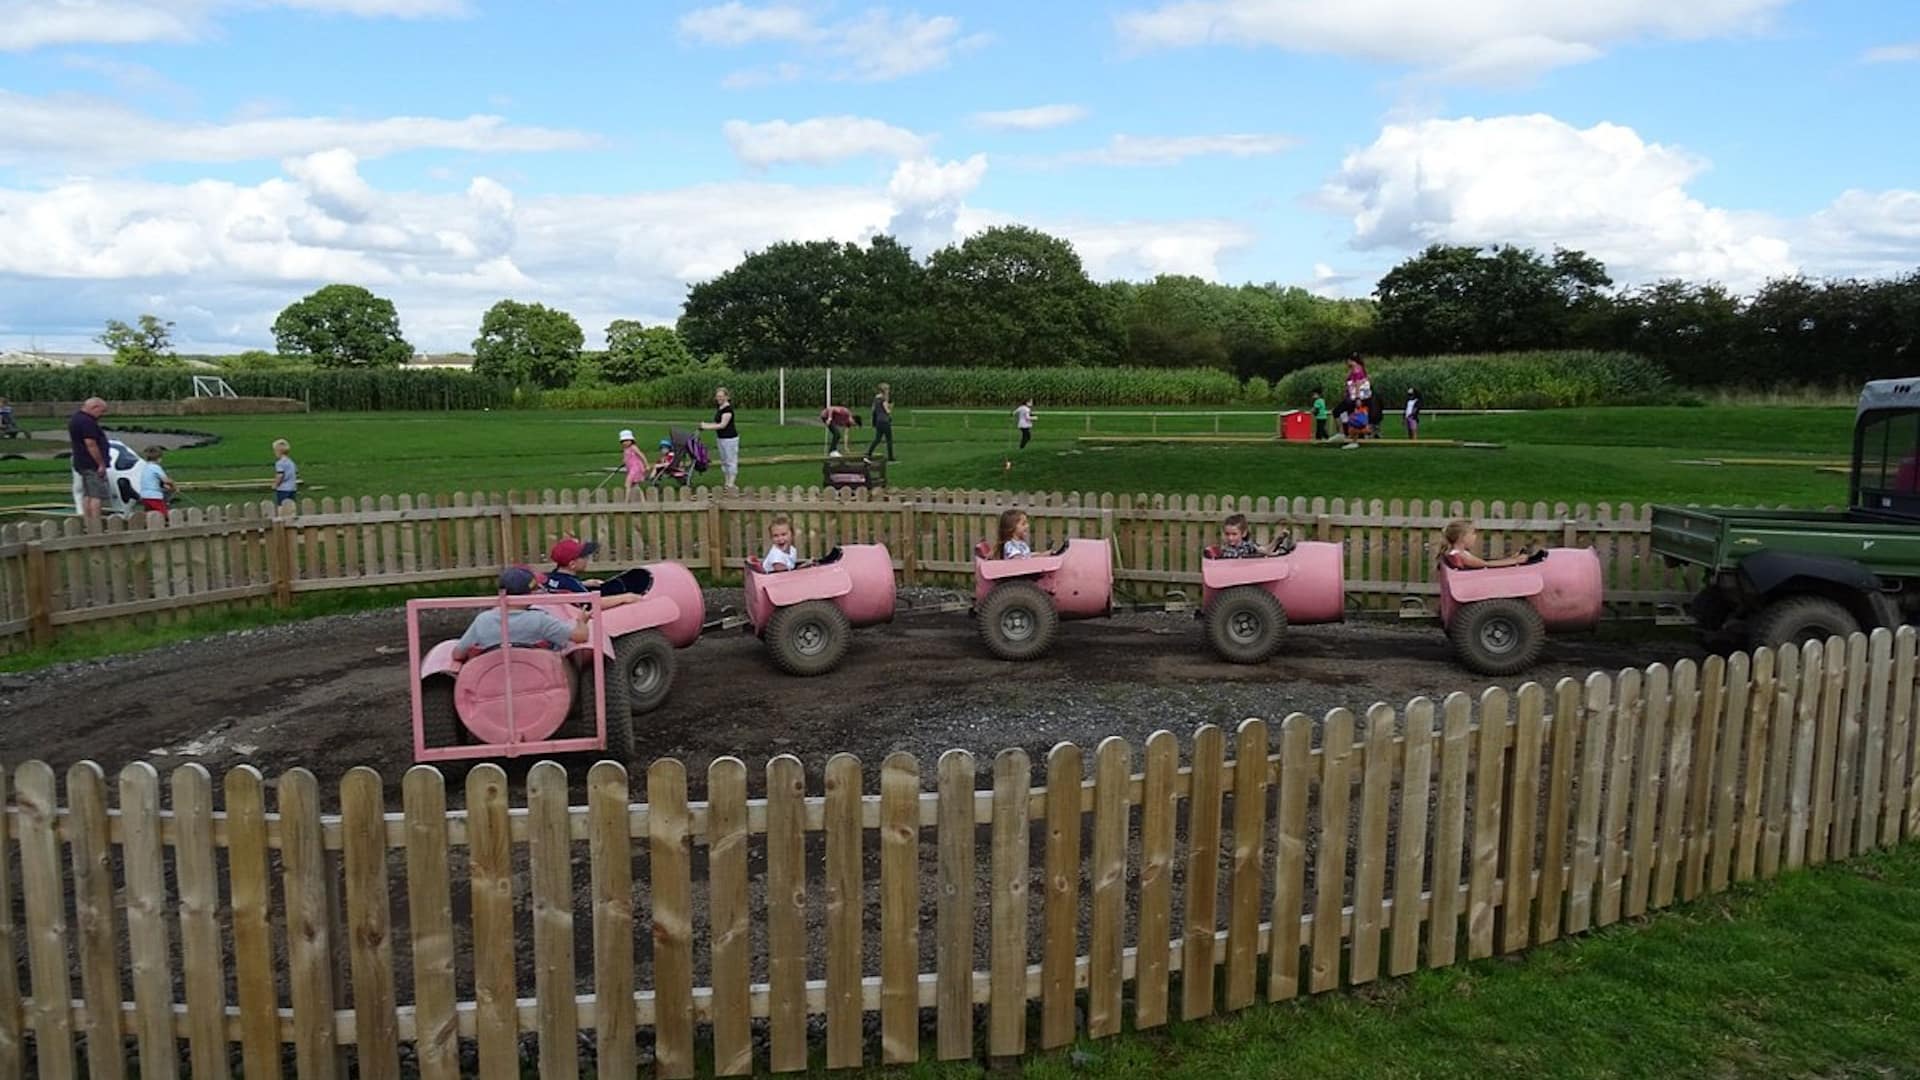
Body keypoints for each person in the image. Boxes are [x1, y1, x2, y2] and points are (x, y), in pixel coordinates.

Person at [452, 567, 591, 661]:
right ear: (529, 594)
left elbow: (457, 654)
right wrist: (581, 621)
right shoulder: (540, 620)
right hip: (539, 680)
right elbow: (581, 636)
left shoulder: (483, 620)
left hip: (493, 682)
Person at [544, 537, 640, 606]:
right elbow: (593, 604)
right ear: (572, 564)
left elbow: (563, 586)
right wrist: (624, 598)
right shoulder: (573, 586)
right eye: (584, 557)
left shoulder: (552, 577)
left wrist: (584, 584)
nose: (587, 560)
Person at [68, 397, 111, 522]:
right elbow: (91, 444)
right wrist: (101, 464)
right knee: (96, 496)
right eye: (101, 411)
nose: (102, 415)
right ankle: (96, 522)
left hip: (80, 462)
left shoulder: (76, 418)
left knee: (87, 494)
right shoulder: (87, 422)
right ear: (94, 407)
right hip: (91, 464)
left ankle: (87, 521)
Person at [1438, 520, 1535, 570]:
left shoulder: (1461, 553)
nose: (1475, 536)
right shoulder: (1461, 555)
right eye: (1472, 533)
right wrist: (1515, 561)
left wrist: (1511, 559)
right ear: (1462, 537)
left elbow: (1485, 563)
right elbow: (1486, 564)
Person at [700, 386, 739, 488]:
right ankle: (727, 482)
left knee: (731, 460)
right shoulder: (720, 408)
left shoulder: (728, 410)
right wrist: (706, 425)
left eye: (721, 396)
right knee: (724, 460)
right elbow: (717, 423)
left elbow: (722, 425)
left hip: (730, 439)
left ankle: (731, 483)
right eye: (717, 396)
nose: (719, 398)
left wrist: (707, 427)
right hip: (721, 438)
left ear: (727, 397)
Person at [136, 445, 176, 519]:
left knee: (150, 514)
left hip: (144, 495)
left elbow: (153, 481)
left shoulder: (146, 467)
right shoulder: (156, 467)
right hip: (154, 496)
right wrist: (173, 486)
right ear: (159, 459)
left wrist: (163, 486)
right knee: (163, 514)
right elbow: (166, 480)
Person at [865, 383, 895, 462]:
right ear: (885, 390)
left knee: (877, 439)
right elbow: (887, 411)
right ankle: (891, 458)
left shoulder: (876, 399)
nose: (889, 391)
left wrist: (873, 422)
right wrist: (890, 407)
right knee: (889, 440)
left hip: (878, 421)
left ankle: (868, 453)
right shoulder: (883, 400)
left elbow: (873, 410)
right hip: (885, 421)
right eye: (887, 389)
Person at [619, 429, 648, 500]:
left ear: (631, 440)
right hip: (630, 468)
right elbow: (627, 458)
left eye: (627, 440)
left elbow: (641, 455)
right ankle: (643, 501)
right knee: (635, 486)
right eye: (623, 441)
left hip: (636, 468)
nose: (625, 443)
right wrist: (624, 462)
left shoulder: (633, 447)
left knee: (627, 483)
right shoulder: (625, 449)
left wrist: (646, 465)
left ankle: (626, 501)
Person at [270, 439, 298, 508]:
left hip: (283, 489)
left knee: (282, 506)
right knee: (291, 506)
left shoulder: (279, 463)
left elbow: (280, 475)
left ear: (278, 452)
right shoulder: (291, 462)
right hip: (292, 488)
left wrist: (275, 484)